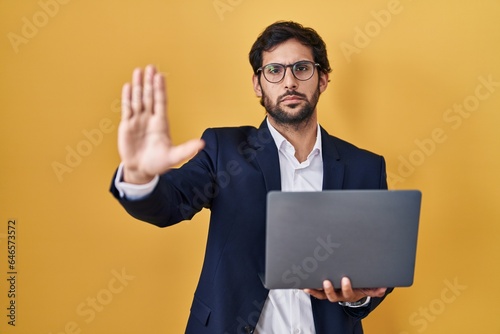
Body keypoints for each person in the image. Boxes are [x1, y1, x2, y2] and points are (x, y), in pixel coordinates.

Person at [110, 21, 391, 334]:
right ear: (258, 84)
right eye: (274, 70)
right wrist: (139, 175)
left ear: (323, 79)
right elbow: (170, 204)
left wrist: (356, 299)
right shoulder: (224, 151)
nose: (289, 82)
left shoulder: (365, 167)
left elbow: (374, 267)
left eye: (302, 68)